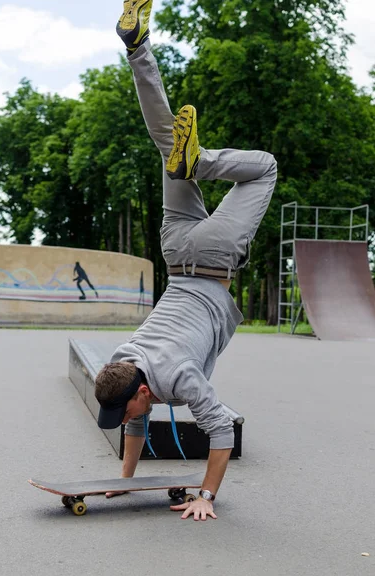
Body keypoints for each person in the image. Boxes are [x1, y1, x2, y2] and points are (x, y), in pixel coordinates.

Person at [94, 0, 277, 522]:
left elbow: (220, 429)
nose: (124, 417)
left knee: (264, 168)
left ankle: (198, 161)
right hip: (175, 247)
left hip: (209, 259)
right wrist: (121, 482)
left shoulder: (177, 381)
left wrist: (206, 496)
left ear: (143, 388)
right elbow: (133, 422)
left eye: (124, 407)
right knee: (163, 143)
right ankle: (136, 46)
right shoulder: (123, 358)